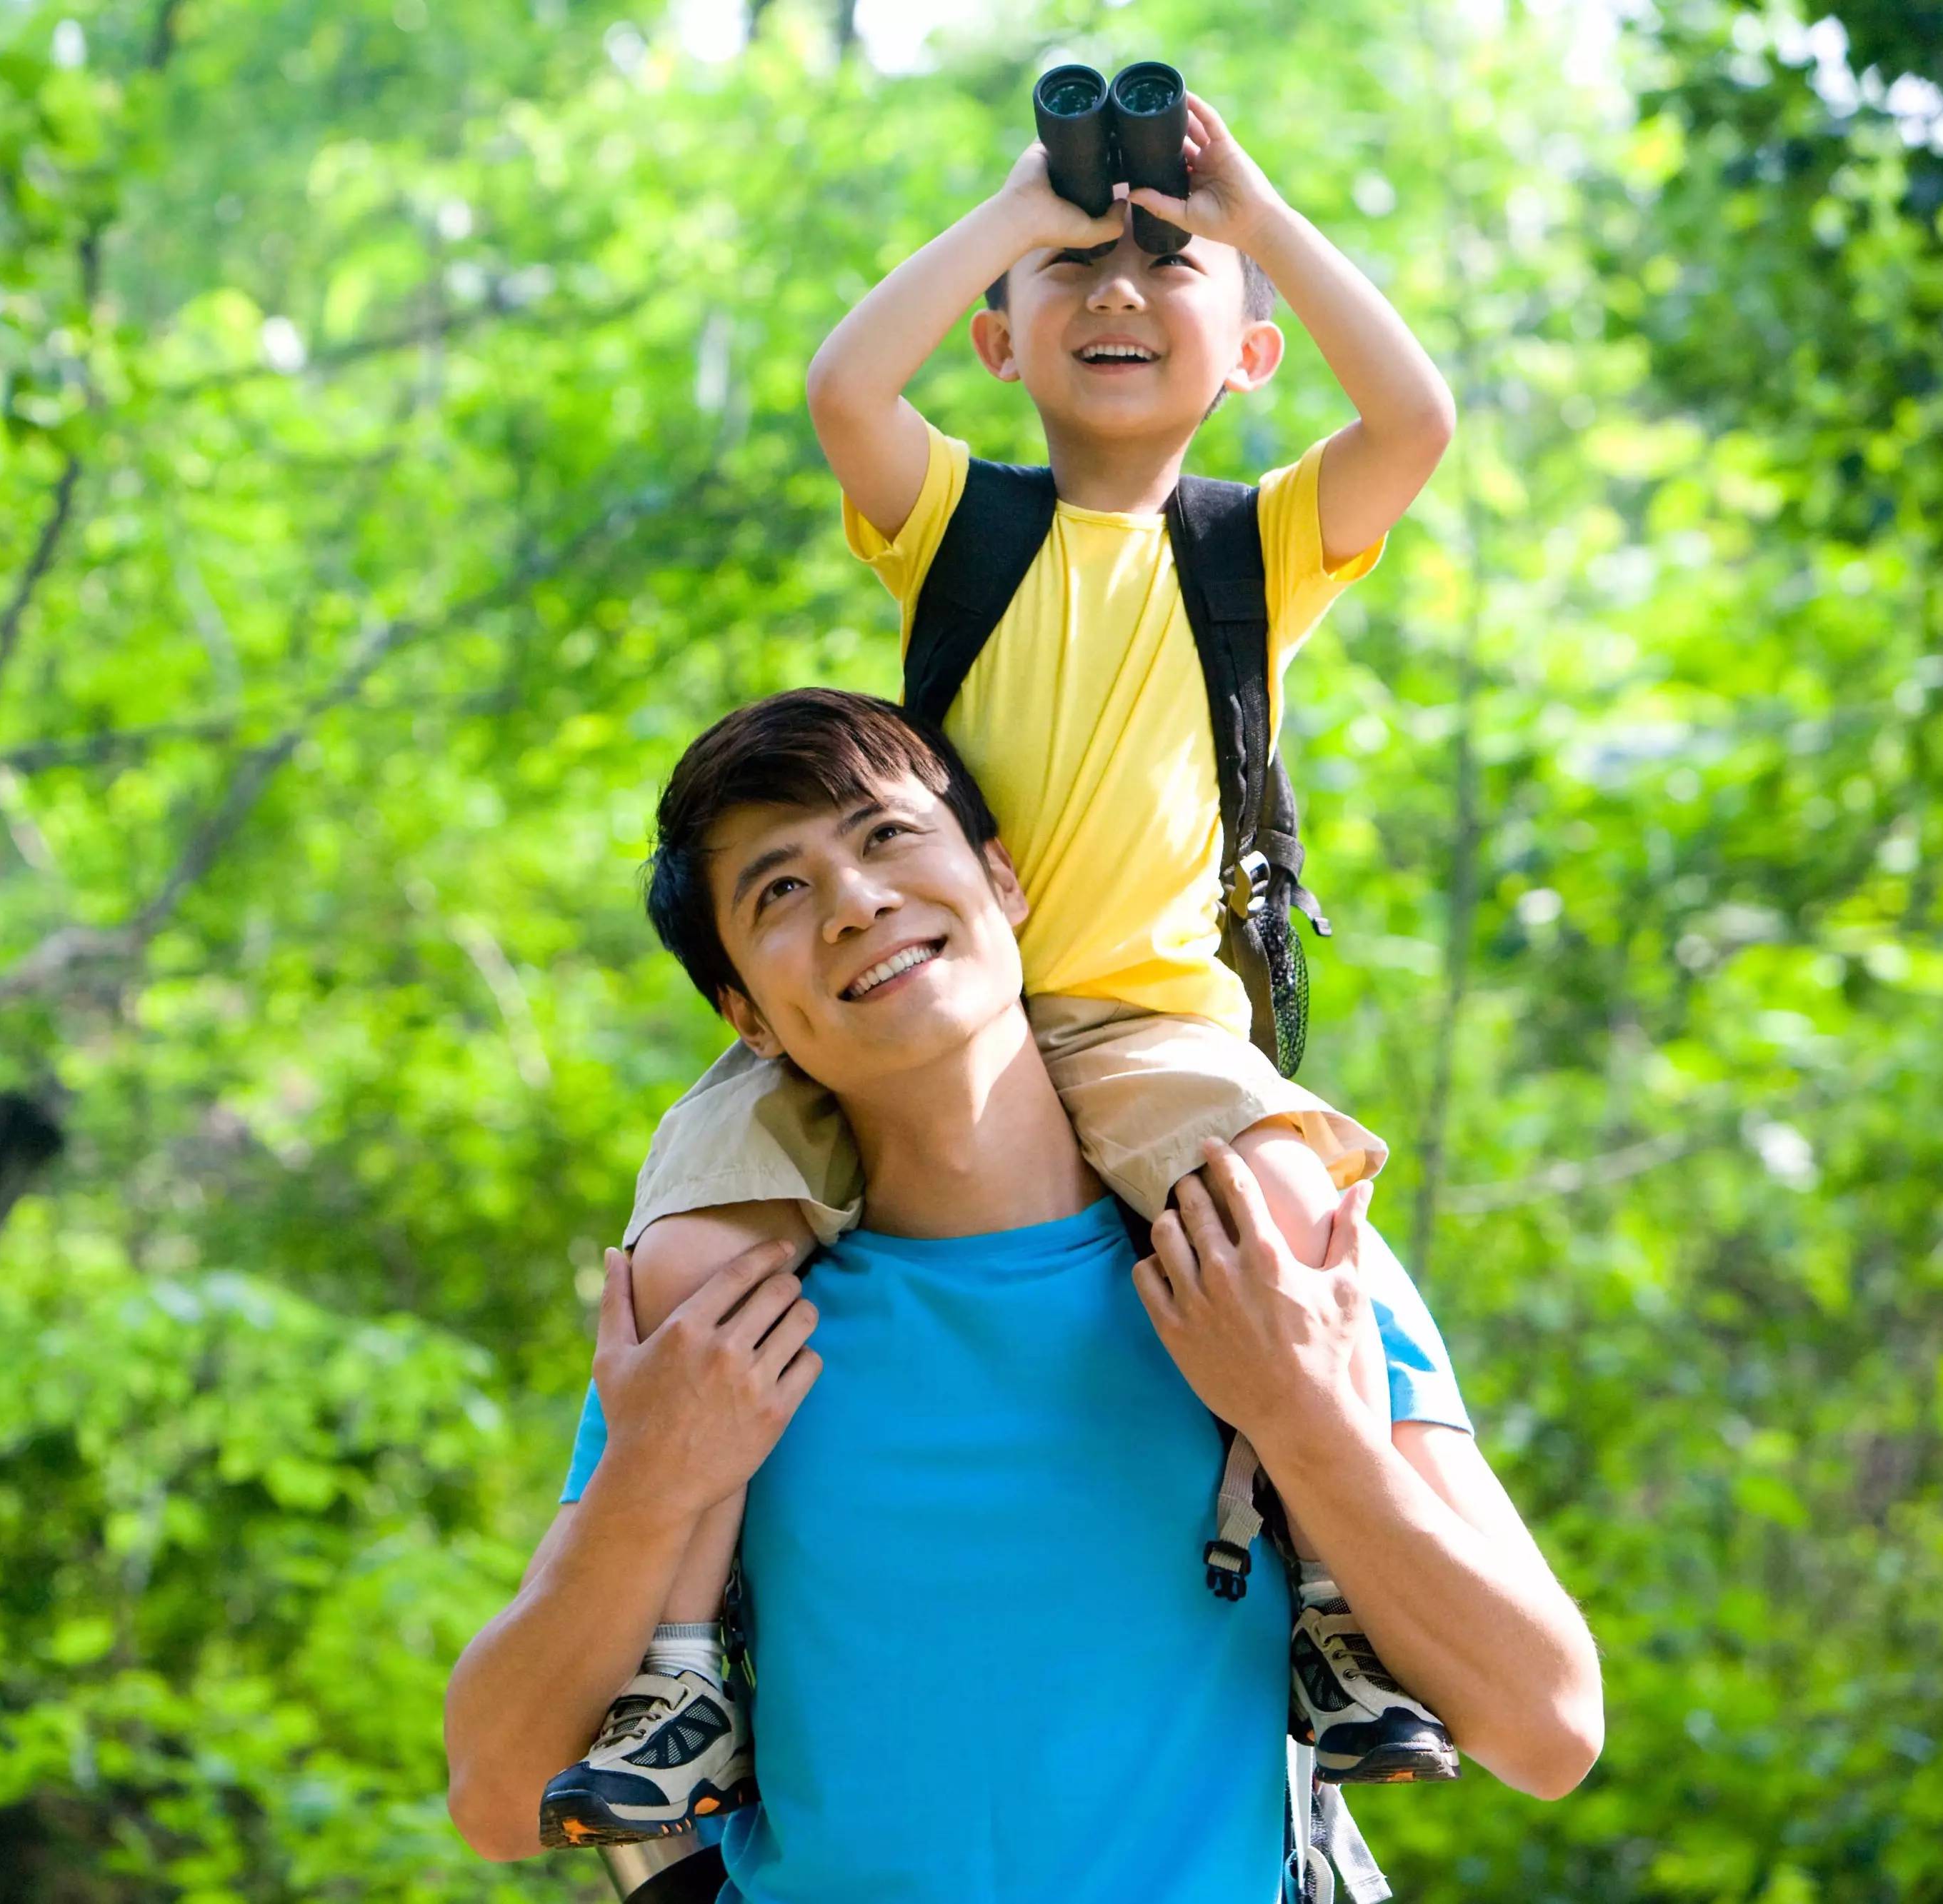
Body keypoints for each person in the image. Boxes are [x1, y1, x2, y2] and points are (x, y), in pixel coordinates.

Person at [535, 94, 1473, 1839]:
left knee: (1278, 1221)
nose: (1114, 292)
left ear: (1249, 344)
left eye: (1162, 266)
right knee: (686, 1253)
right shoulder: (961, 522)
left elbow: (1412, 414)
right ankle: (676, 1674)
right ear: (1000, 334)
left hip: (1138, 1019)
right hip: (890, 1005)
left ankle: (1342, 1613)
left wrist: (1252, 204)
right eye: (1068, 273)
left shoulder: (1246, 551)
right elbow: (840, 388)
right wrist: (1009, 207)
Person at [442, 691, 1601, 1900]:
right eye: (779, 890)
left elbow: (1547, 1726)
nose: (854, 901)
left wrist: (1308, 1418)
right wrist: (649, 1481)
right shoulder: (729, 1327)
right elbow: (496, 1792)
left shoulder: (1268, 1266)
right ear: (745, 1014)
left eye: (886, 835)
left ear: (1001, 879)